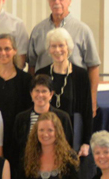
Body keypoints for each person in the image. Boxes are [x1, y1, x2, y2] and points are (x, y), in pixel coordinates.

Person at [27, 0, 100, 113]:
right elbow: (31, 65)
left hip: (74, 96)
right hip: (44, 99)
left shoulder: (83, 30)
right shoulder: (38, 30)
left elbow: (93, 66)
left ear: (69, 1)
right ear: (48, 1)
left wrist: (92, 100)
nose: (57, 1)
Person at [35, 28, 92, 158]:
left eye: (61, 45)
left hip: (72, 138)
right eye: (53, 46)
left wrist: (85, 142)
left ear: (68, 47)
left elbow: (87, 110)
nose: (57, 50)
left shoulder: (81, 75)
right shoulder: (41, 74)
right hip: (46, 137)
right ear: (49, 49)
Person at [0, 34, 32, 175]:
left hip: (17, 139)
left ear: (15, 50)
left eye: (7, 49)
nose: (3, 53)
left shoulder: (26, 80)